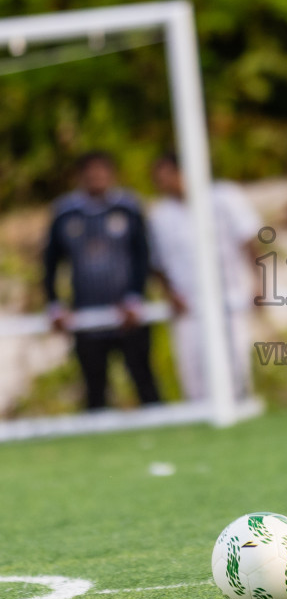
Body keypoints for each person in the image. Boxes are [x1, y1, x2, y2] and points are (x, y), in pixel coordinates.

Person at [44, 150, 161, 410]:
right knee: (94, 385)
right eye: (90, 172)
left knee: (143, 376)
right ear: (80, 176)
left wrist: (134, 297)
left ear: (112, 174)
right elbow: (51, 262)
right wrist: (54, 302)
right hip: (86, 312)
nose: (96, 177)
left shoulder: (128, 208)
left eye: (101, 171)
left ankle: (164, 434)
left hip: (128, 314)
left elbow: (143, 256)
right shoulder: (65, 213)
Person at [149, 153, 261, 401]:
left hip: (229, 297)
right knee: (194, 374)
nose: (162, 184)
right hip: (188, 306)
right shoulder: (160, 215)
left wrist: (258, 282)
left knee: (235, 366)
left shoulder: (224, 197)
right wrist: (169, 294)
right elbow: (157, 264)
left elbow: (249, 241)